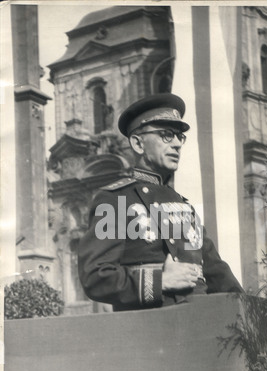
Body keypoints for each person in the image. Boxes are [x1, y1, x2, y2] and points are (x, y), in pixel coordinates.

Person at [78, 93, 243, 311]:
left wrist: (250, 311)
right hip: (150, 329)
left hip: (200, 322)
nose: (176, 144)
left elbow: (215, 271)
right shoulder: (115, 201)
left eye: (178, 136)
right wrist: (160, 282)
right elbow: (95, 276)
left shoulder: (182, 205)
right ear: (138, 143)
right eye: (166, 135)